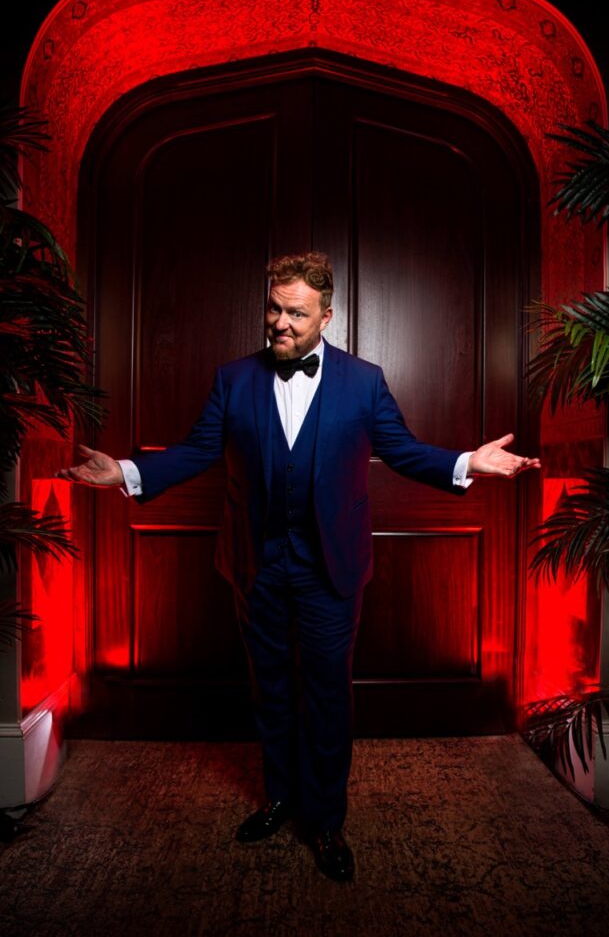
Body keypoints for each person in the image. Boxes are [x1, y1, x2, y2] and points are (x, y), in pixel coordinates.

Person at [57, 252, 540, 883]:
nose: (280, 323)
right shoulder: (234, 379)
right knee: (271, 690)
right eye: (273, 309)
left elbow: (400, 450)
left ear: (326, 316)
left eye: (296, 313)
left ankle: (327, 819)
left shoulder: (364, 381)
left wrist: (466, 463)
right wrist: (123, 472)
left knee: (327, 694)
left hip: (331, 569)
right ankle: (280, 797)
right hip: (255, 563)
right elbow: (198, 450)